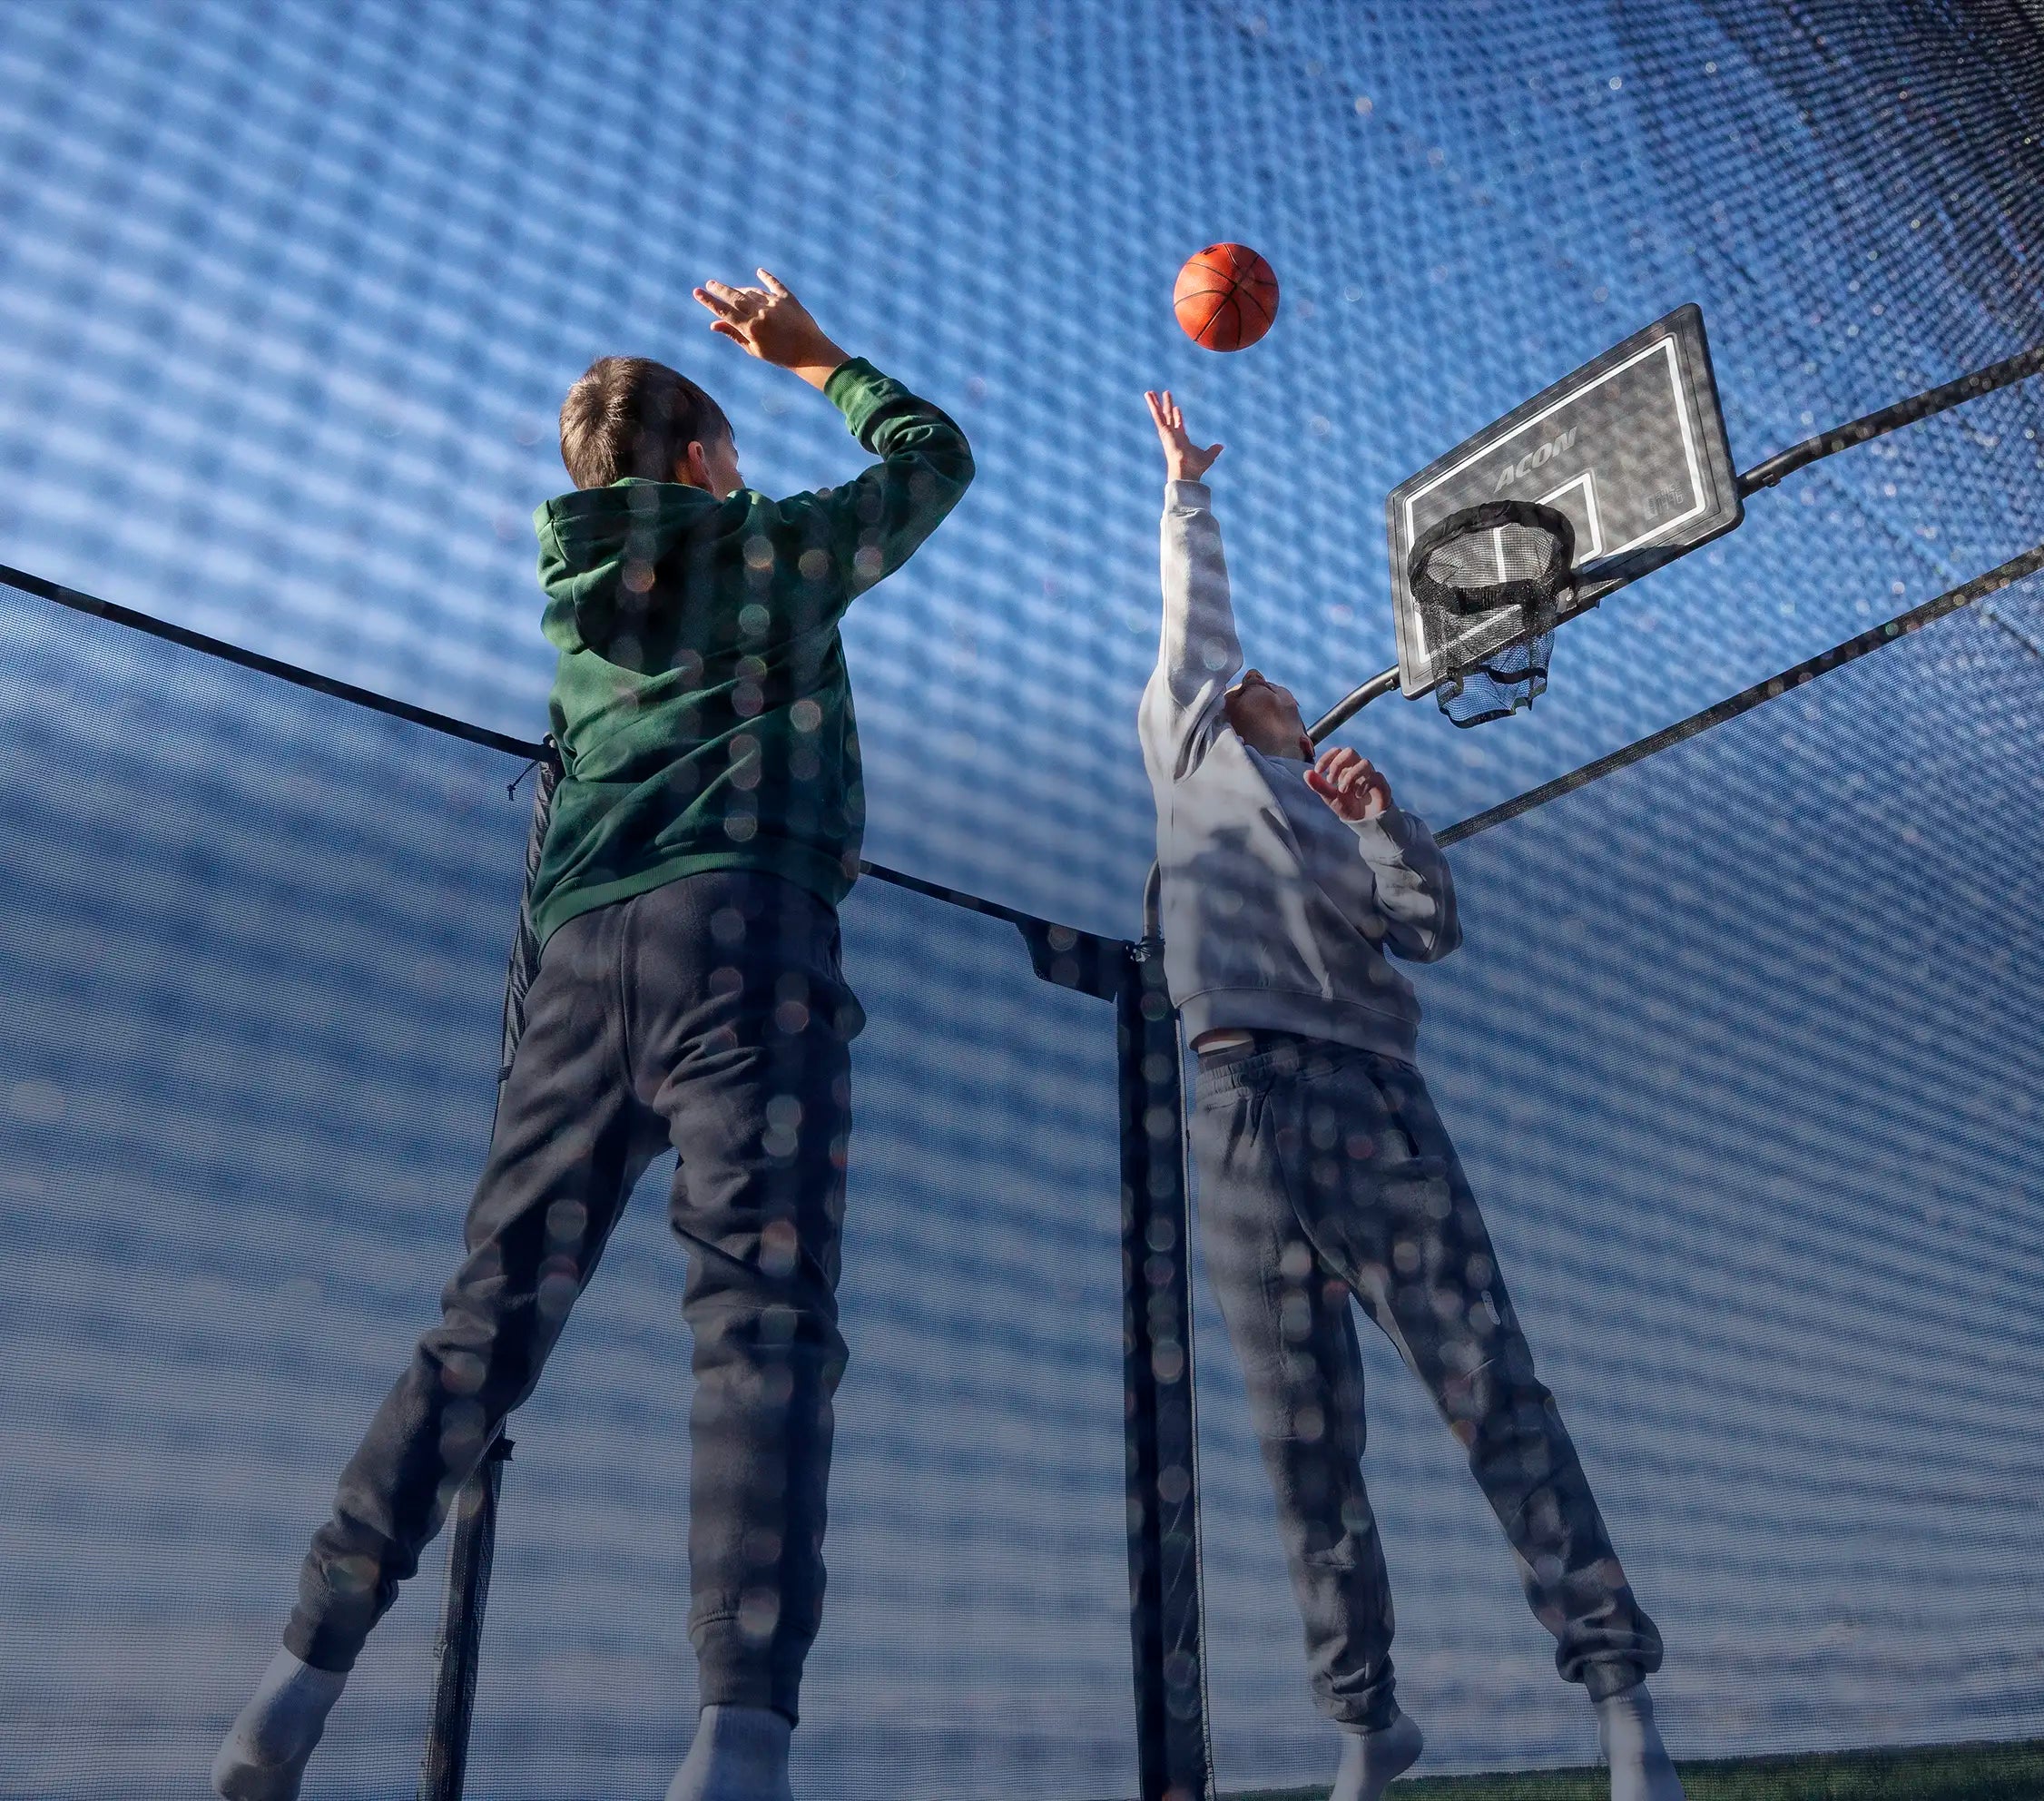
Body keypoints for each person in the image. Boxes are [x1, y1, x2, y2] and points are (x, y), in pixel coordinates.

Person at [213, 272, 974, 1801]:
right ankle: (739, 1740)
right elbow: (932, 461)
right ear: (700, 461)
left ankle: (288, 1689)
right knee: (760, 1322)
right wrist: (817, 357)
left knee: (484, 1325)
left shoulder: (577, 611)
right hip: (741, 945)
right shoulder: (773, 551)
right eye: (728, 452)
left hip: (576, 964)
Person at [1136, 389, 1682, 1801]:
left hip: (1375, 1109)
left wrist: (1384, 822)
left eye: (1274, 683)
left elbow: (1429, 929)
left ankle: (1620, 1696)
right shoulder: (1188, 754)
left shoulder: (1335, 804)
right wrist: (1189, 493)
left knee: (1489, 1391)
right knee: (1302, 1445)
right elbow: (1196, 627)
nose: (1260, 681)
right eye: (1246, 676)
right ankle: (1366, 1720)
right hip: (1237, 1112)